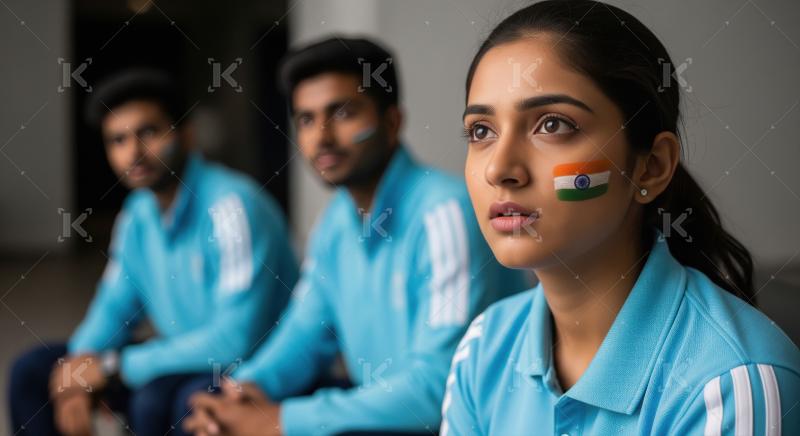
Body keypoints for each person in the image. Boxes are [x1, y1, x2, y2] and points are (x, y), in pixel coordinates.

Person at [441, 1, 800, 435]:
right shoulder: (483, 349)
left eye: (553, 125)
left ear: (651, 166)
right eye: (482, 130)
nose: (499, 169)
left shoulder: (731, 386)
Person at [184, 37, 529, 435]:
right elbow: (304, 333)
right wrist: (239, 392)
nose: (322, 136)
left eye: (343, 113)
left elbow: (438, 390)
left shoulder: (444, 213)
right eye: (307, 119)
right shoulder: (334, 223)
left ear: (392, 121)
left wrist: (281, 421)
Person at [8, 69, 298, 436]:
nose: (134, 151)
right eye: (118, 140)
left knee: (162, 402)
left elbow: (234, 341)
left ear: (187, 134)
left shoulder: (232, 208)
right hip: (182, 356)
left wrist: (114, 367)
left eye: (148, 132)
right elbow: (115, 307)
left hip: (249, 369)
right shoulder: (137, 214)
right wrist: (77, 373)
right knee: (33, 371)